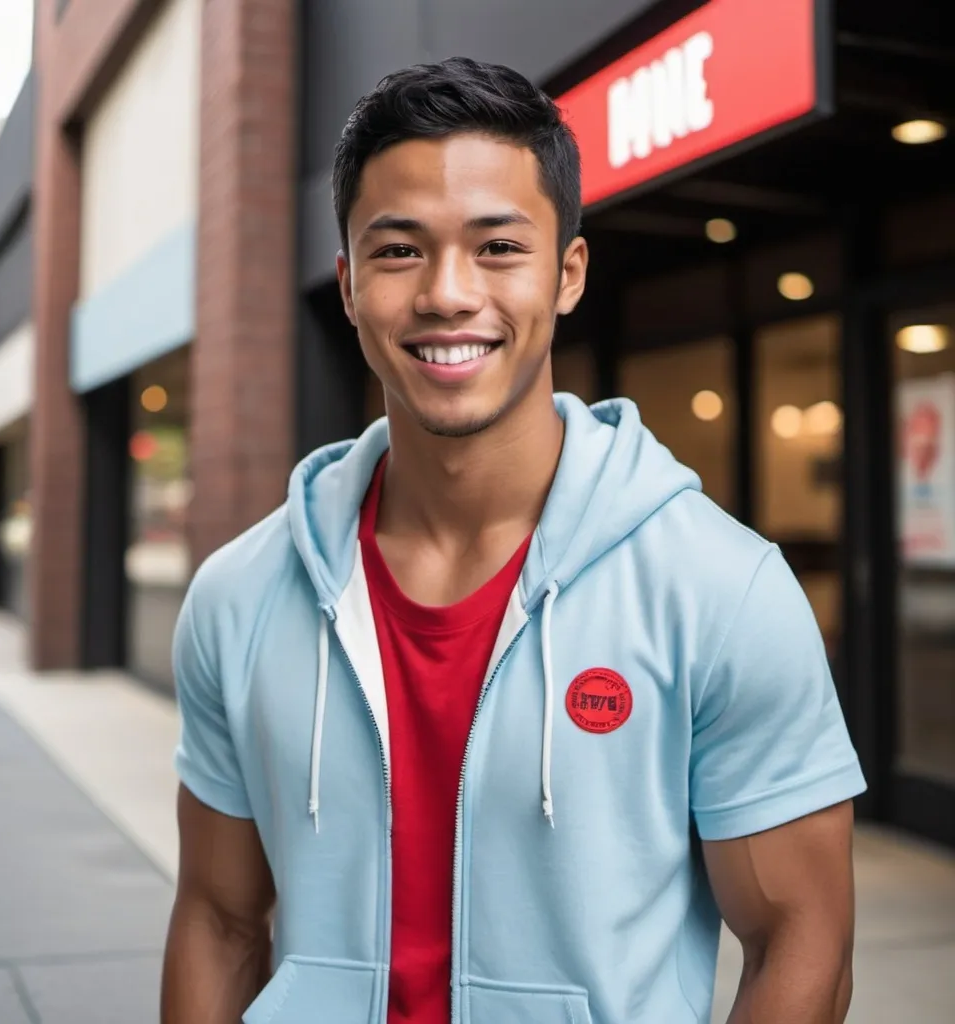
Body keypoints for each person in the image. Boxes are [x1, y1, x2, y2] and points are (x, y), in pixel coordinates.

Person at [160, 57, 866, 1024]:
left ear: (567, 274)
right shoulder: (238, 596)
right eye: (400, 251)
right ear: (350, 284)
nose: (449, 294)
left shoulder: (719, 588)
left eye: (498, 248)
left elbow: (804, 943)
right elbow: (218, 919)